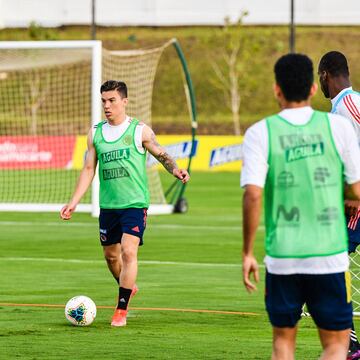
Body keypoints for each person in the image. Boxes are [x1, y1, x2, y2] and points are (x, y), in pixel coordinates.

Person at [241, 53, 360, 359]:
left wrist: (247, 252)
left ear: (276, 89)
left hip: (283, 255)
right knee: (337, 345)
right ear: (311, 87)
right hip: (328, 254)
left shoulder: (259, 132)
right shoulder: (336, 127)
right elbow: (356, 187)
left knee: (282, 342)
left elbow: (252, 196)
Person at [60, 80, 190, 327]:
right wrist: (74, 202)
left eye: (112, 101)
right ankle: (128, 286)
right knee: (111, 257)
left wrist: (176, 170)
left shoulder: (139, 130)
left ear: (124, 101)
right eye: (104, 101)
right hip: (108, 206)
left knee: (129, 251)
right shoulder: (95, 133)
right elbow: (89, 169)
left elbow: (161, 153)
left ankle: (121, 309)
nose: (107, 106)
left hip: (135, 204)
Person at [318, 51, 360, 360]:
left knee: (327, 264)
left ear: (324, 75)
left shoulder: (349, 106)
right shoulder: (340, 110)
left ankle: (349, 345)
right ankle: (349, 343)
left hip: (356, 204)